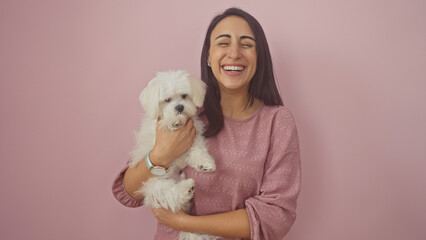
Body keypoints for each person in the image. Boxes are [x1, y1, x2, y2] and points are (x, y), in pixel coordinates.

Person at [112, 7, 301, 240]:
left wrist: (185, 222)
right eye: (223, 43)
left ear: (259, 56)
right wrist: (160, 154)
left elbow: (275, 216)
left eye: (246, 44)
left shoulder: (277, 122)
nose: (234, 53)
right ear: (209, 57)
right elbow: (129, 193)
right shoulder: (185, 112)